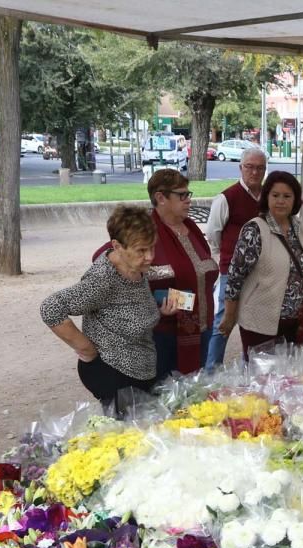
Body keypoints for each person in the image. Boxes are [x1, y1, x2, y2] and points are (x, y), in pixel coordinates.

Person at [43, 205, 163, 412]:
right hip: (113, 372)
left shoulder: (135, 267)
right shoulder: (103, 280)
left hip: (142, 369)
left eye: (152, 247)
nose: (150, 256)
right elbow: (51, 308)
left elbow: (130, 305)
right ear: (117, 246)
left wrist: (156, 311)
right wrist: (87, 350)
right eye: (141, 250)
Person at [218, 171, 303, 358]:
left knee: (292, 380)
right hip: (260, 322)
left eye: (287, 196)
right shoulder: (255, 229)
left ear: (295, 200)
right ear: (266, 197)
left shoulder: (296, 227)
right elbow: (235, 277)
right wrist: (229, 314)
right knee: (263, 381)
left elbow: (301, 261)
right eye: (275, 195)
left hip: (295, 320)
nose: (281, 201)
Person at [143, 168, 217, 377]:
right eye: (181, 195)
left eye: (188, 194)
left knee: (195, 393)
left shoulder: (191, 227)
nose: (188, 200)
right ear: (160, 198)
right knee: (167, 397)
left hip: (202, 327)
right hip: (165, 334)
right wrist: (157, 307)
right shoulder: (145, 231)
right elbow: (120, 268)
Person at [205, 146, 266, 369]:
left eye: (260, 168)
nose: (255, 172)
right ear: (241, 168)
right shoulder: (226, 198)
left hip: (261, 273)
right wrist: (229, 255)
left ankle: (252, 369)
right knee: (223, 322)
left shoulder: (268, 198)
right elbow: (213, 232)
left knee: (256, 324)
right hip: (231, 271)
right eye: (250, 167)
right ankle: (211, 371)